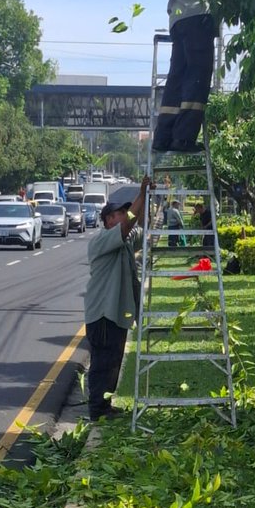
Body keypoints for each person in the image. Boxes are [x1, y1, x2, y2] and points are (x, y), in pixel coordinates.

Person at [83, 175, 151, 421]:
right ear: (109, 219)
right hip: (102, 312)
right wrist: (141, 195)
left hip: (116, 312)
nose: (125, 216)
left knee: (114, 362)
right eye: (120, 213)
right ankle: (97, 410)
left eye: (126, 212)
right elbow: (128, 226)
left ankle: (106, 405)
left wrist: (146, 201)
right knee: (102, 364)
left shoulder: (122, 242)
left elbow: (138, 226)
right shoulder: (103, 240)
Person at [152, 0, 219, 154]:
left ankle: (163, 138)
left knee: (178, 77)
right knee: (199, 76)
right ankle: (184, 138)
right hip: (195, 16)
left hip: (182, 20)